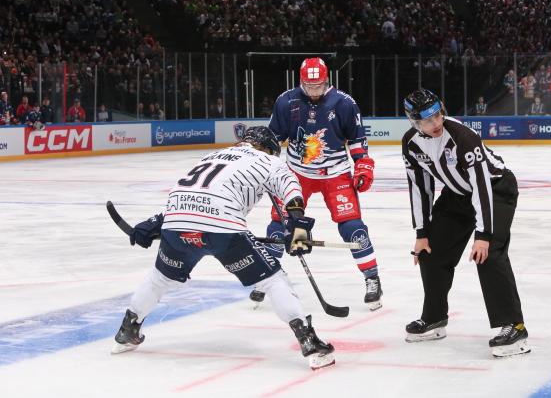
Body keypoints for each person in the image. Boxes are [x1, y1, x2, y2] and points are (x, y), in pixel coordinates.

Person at [111, 126, 335, 369]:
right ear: (269, 148)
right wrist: (298, 225)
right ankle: (309, 341)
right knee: (272, 279)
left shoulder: (213, 155)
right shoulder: (270, 161)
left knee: (159, 279)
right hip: (223, 227)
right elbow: (291, 191)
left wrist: (155, 222)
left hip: (177, 223)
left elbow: (194, 193)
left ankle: (127, 331)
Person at [401, 88, 529, 358]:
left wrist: (483, 235)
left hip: (495, 190)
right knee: (430, 251)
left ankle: (514, 327)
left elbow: (482, 186)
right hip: (458, 195)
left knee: (489, 253)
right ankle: (434, 318)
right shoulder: (411, 143)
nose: (435, 124)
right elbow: (420, 188)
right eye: (427, 120)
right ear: (414, 122)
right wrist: (422, 232)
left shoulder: (463, 137)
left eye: (437, 116)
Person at [250, 57, 382, 310]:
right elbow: (273, 140)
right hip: (296, 174)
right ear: (301, 82)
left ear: (326, 81)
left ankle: (372, 278)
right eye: (309, 86)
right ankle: (265, 277)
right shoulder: (285, 101)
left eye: (318, 86)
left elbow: (356, 140)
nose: (313, 91)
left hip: (336, 174)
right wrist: (264, 165)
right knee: (280, 224)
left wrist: (363, 165)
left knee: (352, 227)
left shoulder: (344, 103)